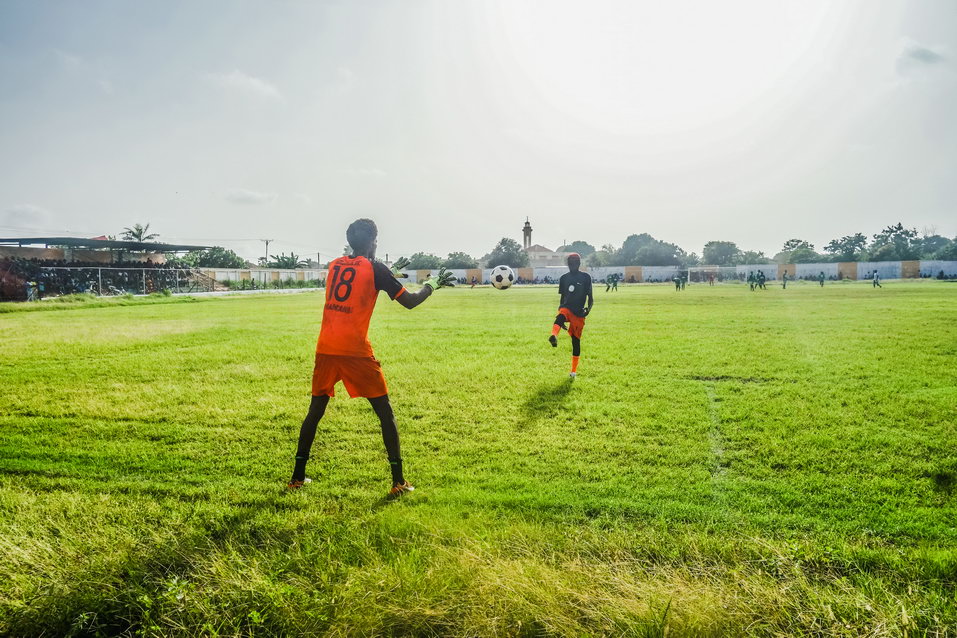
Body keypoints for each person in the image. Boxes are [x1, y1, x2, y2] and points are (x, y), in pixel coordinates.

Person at [288, 218, 455, 498]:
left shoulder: (335, 265)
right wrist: (432, 285)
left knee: (315, 411)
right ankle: (399, 481)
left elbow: (359, 280)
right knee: (384, 412)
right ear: (373, 242)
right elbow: (410, 301)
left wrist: (392, 271)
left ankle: (296, 477)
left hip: (326, 347)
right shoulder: (376, 268)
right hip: (354, 350)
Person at [548, 253, 593, 378]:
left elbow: (591, 298)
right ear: (568, 264)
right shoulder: (564, 278)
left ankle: (573, 371)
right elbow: (563, 298)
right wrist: (560, 310)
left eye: (574, 262)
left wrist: (587, 310)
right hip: (567, 308)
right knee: (561, 314)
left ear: (579, 263)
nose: (572, 264)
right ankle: (553, 335)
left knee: (576, 341)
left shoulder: (586, 277)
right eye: (570, 262)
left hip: (579, 313)